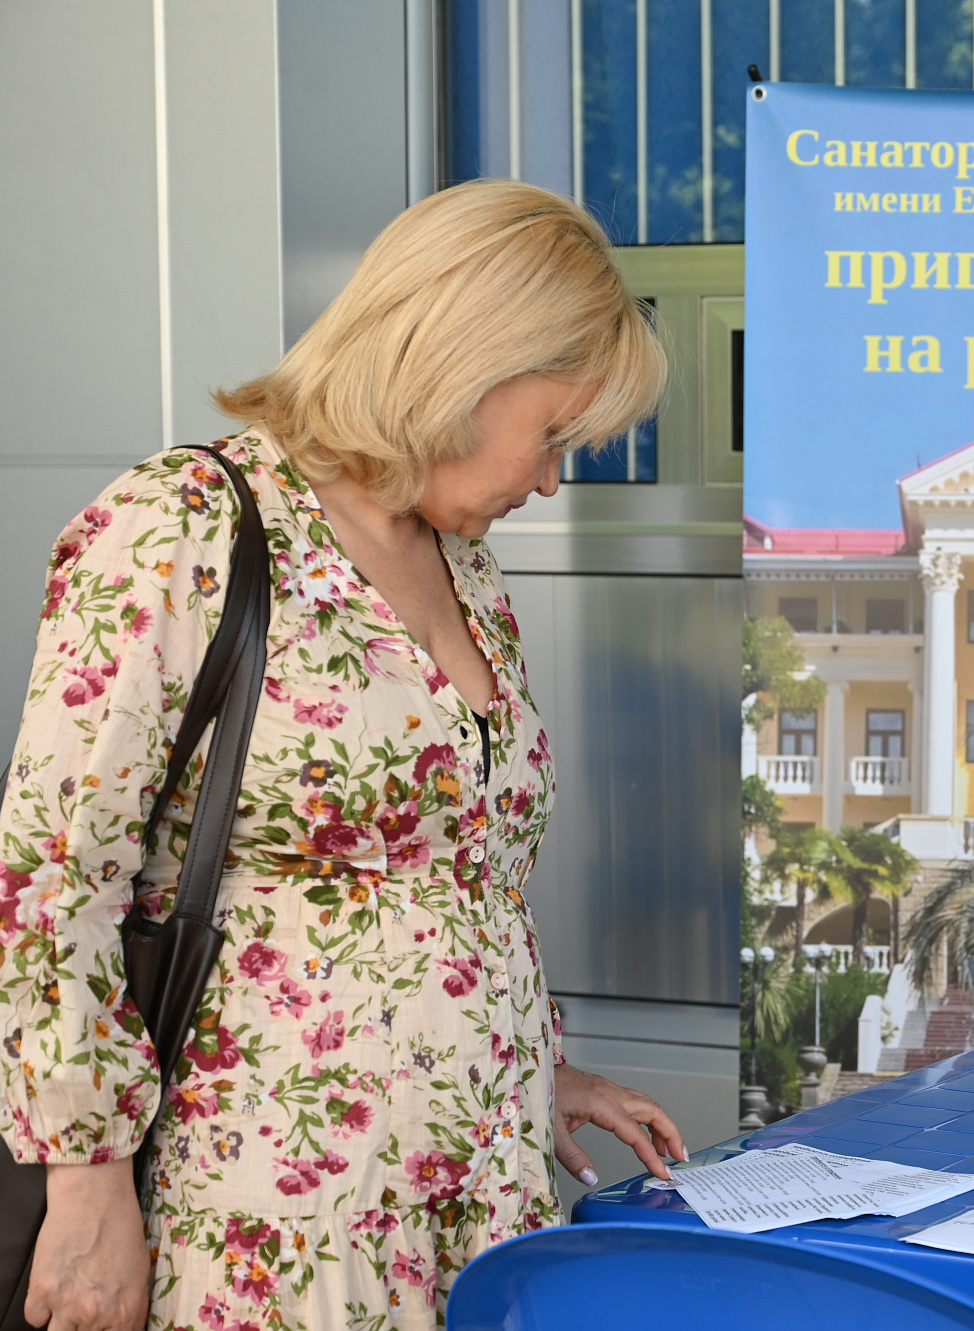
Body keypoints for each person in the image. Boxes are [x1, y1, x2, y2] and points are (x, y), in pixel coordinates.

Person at [1, 181, 689, 1330]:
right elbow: (49, 876)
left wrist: (531, 1064)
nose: (553, 479)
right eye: (555, 434)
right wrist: (85, 1181)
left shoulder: (462, 561)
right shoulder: (186, 523)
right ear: (465, 366)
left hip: (481, 1196)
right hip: (275, 1209)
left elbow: (450, 883)